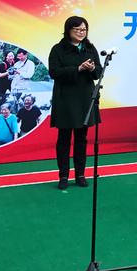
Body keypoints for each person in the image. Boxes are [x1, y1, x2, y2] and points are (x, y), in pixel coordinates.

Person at [49, 16, 102, 190]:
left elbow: (98, 73)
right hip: (65, 98)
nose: (81, 32)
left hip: (85, 98)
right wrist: (77, 69)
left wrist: (92, 68)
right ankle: (63, 176)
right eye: (77, 29)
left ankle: (80, 174)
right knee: (64, 138)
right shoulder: (58, 49)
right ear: (68, 30)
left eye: (84, 29)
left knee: (82, 138)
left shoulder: (89, 48)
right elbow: (54, 72)